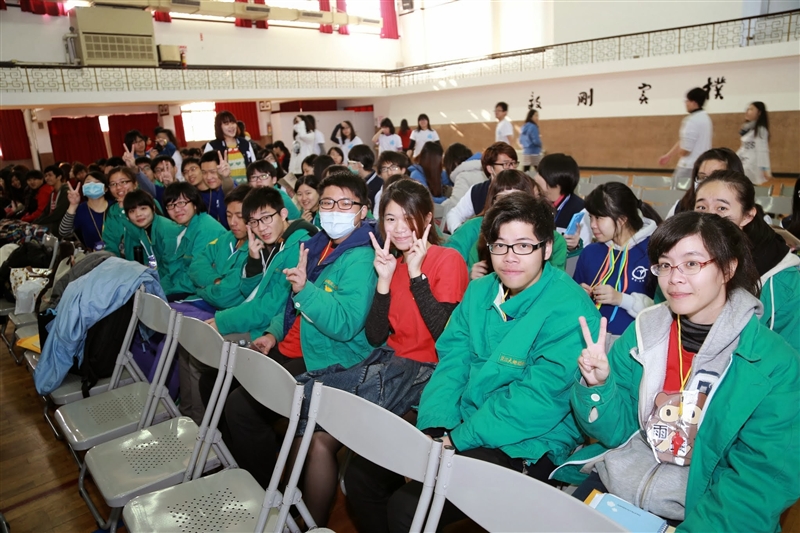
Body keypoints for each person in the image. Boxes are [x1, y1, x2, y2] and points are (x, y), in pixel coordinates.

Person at [563, 211, 800, 532]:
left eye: (691, 263)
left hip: (701, 508)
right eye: (665, 264)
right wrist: (599, 387)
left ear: (728, 268)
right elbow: (617, 435)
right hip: (619, 488)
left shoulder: (773, 363)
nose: (674, 277)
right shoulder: (643, 334)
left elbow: (759, 485)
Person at [379, 192, 602, 533]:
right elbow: (452, 361)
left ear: (546, 249)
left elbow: (536, 402)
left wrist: (457, 439)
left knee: (408, 507)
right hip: (467, 419)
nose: (510, 258)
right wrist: (435, 427)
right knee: (368, 472)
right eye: (500, 245)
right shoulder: (480, 290)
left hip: (529, 439)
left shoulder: (570, 309)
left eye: (523, 246)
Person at [294, 179, 468, 526]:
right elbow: (375, 336)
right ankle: (310, 525)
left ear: (428, 218)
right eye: (390, 219)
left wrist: (417, 277)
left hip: (428, 378)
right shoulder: (391, 263)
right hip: (391, 366)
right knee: (316, 430)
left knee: (359, 473)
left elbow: (446, 338)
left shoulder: (447, 259)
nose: (399, 228)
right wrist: (385, 282)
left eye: (408, 217)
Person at [222, 169, 378, 492]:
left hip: (332, 359)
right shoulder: (319, 244)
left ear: (363, 211)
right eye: (328, 203)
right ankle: (257, 484)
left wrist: (306, 289)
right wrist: (273, 333)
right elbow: (288, 304)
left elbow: (345, 324)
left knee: (242, 408)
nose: (334, 211)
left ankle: (266, 492)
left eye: (345, 204)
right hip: (301, 344)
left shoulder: (361, 258)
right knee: (228, 385)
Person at [695, 170, 800, 345]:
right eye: (701, 207)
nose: (708, 217)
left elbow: (792, 354)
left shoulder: (783, 282)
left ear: (747, 216)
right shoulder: (677, 262)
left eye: (722, 208)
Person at [210, 186, 318, 340]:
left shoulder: (299, 246)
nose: (261, 228)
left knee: (209, 340)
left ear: (283, 214)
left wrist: (224, 321)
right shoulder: (268, 242)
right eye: (254, 222)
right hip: (256, 319)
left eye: (266, 218)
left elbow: (273, 305)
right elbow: (247, 292)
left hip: (271, 328)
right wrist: (254, 261)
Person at [573, 183, 661, 336]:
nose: (592, 225)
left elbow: (664, 311)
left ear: (621, 219)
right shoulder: (590, 252)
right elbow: (571, 302)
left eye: (599, 218)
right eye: (590, 217)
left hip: (636, 342)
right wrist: (579, 295)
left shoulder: (655, 252)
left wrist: (621, 299)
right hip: (591, 340)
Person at [446, 169, 568, 277]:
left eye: (523, 245)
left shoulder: (552, 239)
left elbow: (557, 280)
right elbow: (446, 263)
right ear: (492, 201)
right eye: (502, 198)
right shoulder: (479, 239)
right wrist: (469, 274)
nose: (509, 205)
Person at [187, 185, 254, 311]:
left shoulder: (256, 249)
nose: (232, 222)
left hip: (226, 312)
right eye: (228, 215)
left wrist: (201, 288)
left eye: (239, 216)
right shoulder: (226, 238)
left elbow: (224, 297)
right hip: (201, 302)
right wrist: (216, 279)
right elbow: (195, 266)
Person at [162, 182, 227, 300]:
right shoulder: (189, 227)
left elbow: (195, 275)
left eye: (181, 203)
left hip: (203, 292)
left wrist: (166, 293)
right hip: (186, 287)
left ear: (195, 204)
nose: (176, 209)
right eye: (170, 205)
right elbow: (176, 269)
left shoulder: (206, 229)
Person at [444, 142, 517, 233]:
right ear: (490, 168)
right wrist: (460, 233)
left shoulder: (522, 188)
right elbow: (454, 214)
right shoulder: (477, 191)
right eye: (506, 164)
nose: (512, 168)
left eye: (514, 163)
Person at [123, 189, 183, 290]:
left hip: (179, 282)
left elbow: (172, 269)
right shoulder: (143, 231)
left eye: (143, 208)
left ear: (153, 208)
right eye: (132, 211)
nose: (138, 214)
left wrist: (157, 291)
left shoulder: (166, 229)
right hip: (166, 280)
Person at [658, 88, 713, 187]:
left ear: (693, 102)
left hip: (688, 166)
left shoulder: (691, 120)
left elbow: (686, 149)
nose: (686, 103)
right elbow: (683, 140)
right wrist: (668, 155)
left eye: (687, 101)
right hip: (703, 165)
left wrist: (680, 153)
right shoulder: (706, 118)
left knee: (675, 191)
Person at [668, 148, 743, 218]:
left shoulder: (743, 211)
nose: (707, 184)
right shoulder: (681, 207)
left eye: (715, 177)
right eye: (703, 177)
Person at [532, 153, 585, 232]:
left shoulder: (580, 211)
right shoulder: (535, 203)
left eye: (540, 174)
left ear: (553, 180)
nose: (535, 178)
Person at [59, 171, 109, 251]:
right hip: (94, 256)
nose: (92, 185)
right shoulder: (81, 209)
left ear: (106, 188)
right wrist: (73, 205)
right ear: (83, 188)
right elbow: (64, 231)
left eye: (97, 182)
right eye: (88, 182)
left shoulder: (114, 206)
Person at [203, 111, 256, 186]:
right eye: (226, 124)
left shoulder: (245, 143)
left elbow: (253, 165)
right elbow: (206, 168)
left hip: (246, 188)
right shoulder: (212, 146)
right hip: (224, 188)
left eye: (233, 123)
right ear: (219, 126)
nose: (231, 126)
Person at [439, 143, 484, 223]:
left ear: (455, 163)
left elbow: (455, 203)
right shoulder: (481, 169)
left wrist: (436, 209)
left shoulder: (463, 175)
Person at [101, 166, 140, 257]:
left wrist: (124, 209)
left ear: (135, 184)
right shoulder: (112, 211)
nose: (118, 187)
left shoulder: (148, 204)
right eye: (113, 184)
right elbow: (109, 243)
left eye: (123, 182)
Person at [736, 102, 771, 185]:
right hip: (744, 162)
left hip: (751, 165)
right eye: (748, 109)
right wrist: (734, 158)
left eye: (751, 109)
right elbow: (743, 148)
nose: (747, 111)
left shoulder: (761, 129)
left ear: (759, 113)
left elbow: (762, 150)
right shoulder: (748, 128)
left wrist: (765, 168)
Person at [34, 164, 70, 233]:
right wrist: (36, 221)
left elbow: (58, 214)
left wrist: (40, 223)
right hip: (53, 222)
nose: (47, 178)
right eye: (46, 176)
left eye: (50, 175)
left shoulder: (66, 191)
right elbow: (46, 211)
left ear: (59, 177)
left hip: (62, 223)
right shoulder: (53, 193)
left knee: (37, 231)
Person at [347, 144, 380, 211]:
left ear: (359, 164)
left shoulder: (378, 186)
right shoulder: (358, 181)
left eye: (350, 162)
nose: (348, 166)